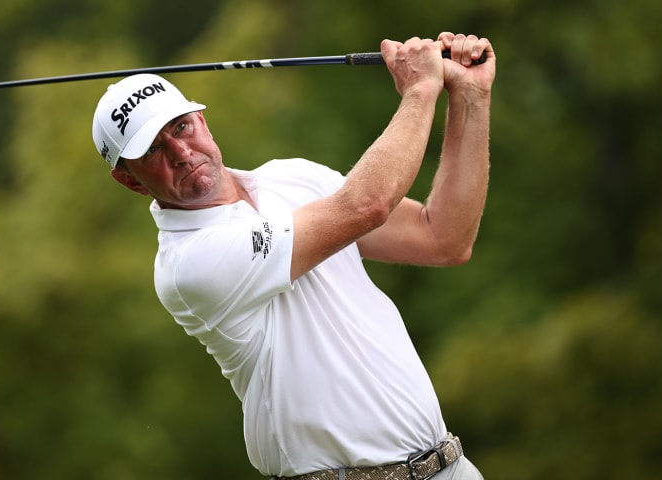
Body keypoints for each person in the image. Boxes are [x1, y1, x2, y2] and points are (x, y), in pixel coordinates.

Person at [91, 32, 495, 480]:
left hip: (450, 466)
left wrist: (470, 98)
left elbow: (442, 237)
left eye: (181, 127)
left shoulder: (292, 177)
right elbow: (366, 205)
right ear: (129, 181)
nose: (182, 153)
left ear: (203, 121)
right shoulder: (190, 265)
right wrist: (420, 91)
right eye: (153, 151)